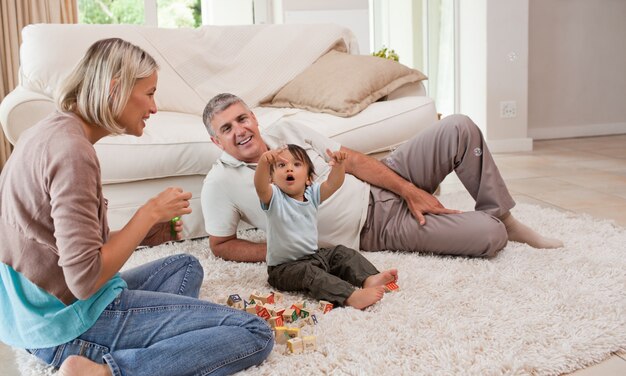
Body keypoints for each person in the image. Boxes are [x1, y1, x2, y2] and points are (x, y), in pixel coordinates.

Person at [0, 39, 273, 376]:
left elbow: (68, 247)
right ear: (115, 89)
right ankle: (107, 371)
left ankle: (148, 346)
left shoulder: (48, 131)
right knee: (254, 332)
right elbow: (85, 279)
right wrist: (148, 213)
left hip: (33, 314)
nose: (154, 107)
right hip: (65, 324)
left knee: (186, 266)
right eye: (150, 93)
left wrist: (143, 234)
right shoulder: (72, 153)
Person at [201, 93, 563, 263]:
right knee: (488, 236)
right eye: (227, 129)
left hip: (386, 177)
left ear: (254, 118)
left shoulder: (290, 129)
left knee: (458, 127)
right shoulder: (220, 183)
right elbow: (221, 244)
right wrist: (282, 251)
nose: (240, 131)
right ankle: (496, 225)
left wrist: (407, 189)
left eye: (242, 119)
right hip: (373, 228)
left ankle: (504, 215)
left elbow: (353, 161)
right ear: (215, 141)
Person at [254, 144, 398, 309]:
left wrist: (338, 166)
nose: (289, 169)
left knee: (341, 253)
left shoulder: (311, 194)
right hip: (283, 269)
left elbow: (333, 184)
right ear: (272, 179)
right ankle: (350, 296)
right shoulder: (273, 198)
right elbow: (260, 186)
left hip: (314, 256)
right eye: (281, 165)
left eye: (296, 164)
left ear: (308, 178)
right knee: (311, 274)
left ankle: (369, 278)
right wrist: (264, 162)